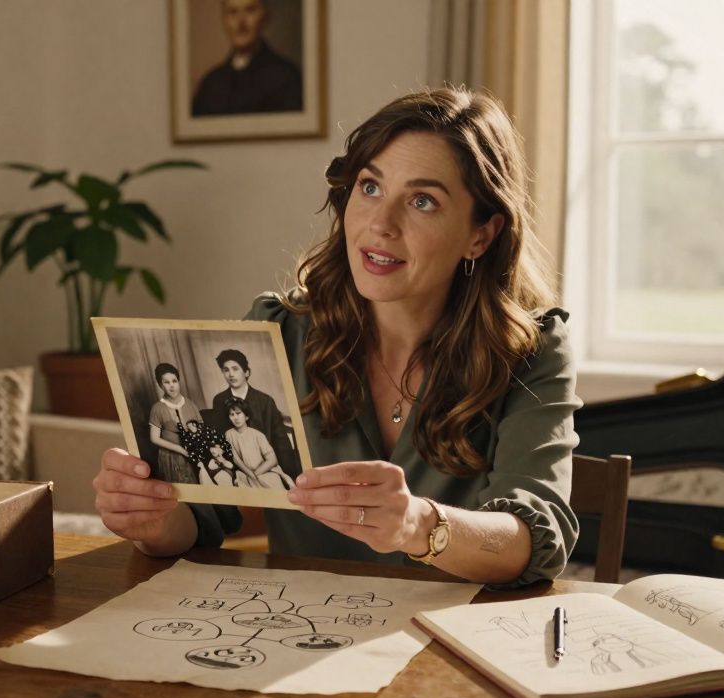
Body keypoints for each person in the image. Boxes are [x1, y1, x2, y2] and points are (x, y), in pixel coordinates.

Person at [95, 87, 580, 587]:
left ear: (481, 234)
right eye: (370, 188)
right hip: (294, 638)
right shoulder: (280, 328)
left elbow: (535, 537)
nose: (380, 224)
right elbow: (205, 518)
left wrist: (419, 525)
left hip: (451, 646)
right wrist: (152, 520)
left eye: (422, 201)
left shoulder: (533, 350)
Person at [191, 0, 303, 117]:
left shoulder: (287, 78)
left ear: (265, 16)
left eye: (250, 10)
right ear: (224, 20)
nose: (240, 23)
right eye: (232, 12)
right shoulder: (210, 85)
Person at [209, 348, 300, 479]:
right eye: (226, 370)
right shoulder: (219, 400)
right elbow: (219, 435)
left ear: (246, 372)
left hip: (265, 465)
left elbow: (280, 441)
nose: (230, 374)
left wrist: (291, 475)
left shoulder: (265, 401)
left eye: (235, 369)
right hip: (236, 465)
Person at [147, 363, 203, 484]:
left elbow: (201, 429)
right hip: (171, 457)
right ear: (160, 385)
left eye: (174, 381)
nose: (172, 386)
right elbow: (154, 438)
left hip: (193, 453)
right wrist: (180, 449)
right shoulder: (157, 408)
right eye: (166, 382)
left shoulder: (190, 404)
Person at [222, 398, 293, 490]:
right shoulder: (229, 434)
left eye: (238, 413)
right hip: (245, 472)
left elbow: (272, 460)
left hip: (265, 471)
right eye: (232, 415)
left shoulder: (258, 435)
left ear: (246, 416)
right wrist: (250, 474)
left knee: (273, 482)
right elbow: (235, 458)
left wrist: (256, 474)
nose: (236, 418)